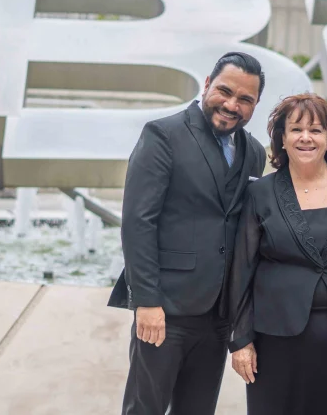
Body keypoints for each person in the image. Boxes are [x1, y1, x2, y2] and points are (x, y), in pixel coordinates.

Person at [107, 52, 267, 415]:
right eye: (225, 91)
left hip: (217, 316)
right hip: (165, 309)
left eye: (245, 100)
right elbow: (138, 222)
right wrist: (146, 301)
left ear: (255, 105)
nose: (231, 105)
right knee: (145, 408)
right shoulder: (163, 135)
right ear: (207, 84)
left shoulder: (254, 152)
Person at [228, 93, 327, 415]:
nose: (305, 138)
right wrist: (240, 340)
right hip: (276, 339)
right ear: (281, 139)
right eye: (295, 129)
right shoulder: (260, 192)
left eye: (316, 130)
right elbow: (242, 267)